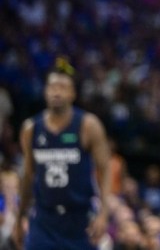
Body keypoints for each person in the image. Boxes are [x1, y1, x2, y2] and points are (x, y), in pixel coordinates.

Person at [13, 58, 111, 249]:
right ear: (45, 91)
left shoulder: (88, 125)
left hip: (79, 219)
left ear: (73, 93)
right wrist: (19, 217)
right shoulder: (31, 129)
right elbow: (27, 176)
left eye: (63, 87)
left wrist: (104, 213)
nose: (56, 91)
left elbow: (105, 170)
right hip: (44, 220)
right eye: (52, 87)